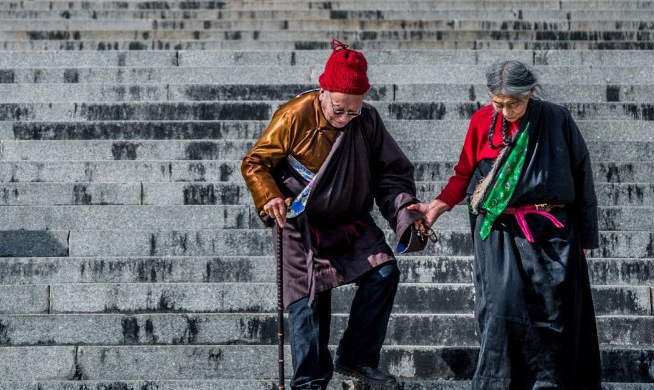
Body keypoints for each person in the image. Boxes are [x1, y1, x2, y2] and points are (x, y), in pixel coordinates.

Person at [241, 39, 430, 390]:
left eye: (352, 112)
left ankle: (357, 357)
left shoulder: (368, 120)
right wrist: (269, 197)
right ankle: (310, 380)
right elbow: (256, 163)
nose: (344, 118)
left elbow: (391, 174)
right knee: (309, 300)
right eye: (338, 110)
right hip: (301, 223)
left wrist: (404, 210)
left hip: (351, 223)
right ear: (324, 91)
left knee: (384, 273)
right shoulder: (295, 115)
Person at [409, 59, 601, 389]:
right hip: (498, 231)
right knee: (500, 307)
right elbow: (464, 174)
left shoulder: (556, 119)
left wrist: (586, 234)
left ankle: (550, 383)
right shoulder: (482, 121)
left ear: (530, 94)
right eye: (498, 103)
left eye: (514, 103)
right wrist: (437, 206)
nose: (506, 110)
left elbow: (582, 175)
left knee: (556, 312)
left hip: (552, 231)